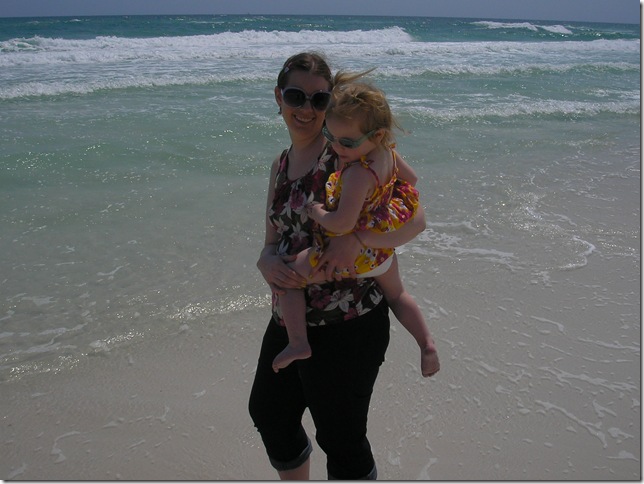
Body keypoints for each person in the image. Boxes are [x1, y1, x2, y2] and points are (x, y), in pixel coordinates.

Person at [248, 52, 428, 480]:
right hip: (290, 319)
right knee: (270, 413)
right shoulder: (280, 165)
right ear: (279, 97)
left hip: (350, 324)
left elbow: (416, 219)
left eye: (318, 99)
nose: (306, 109)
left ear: (332, 103)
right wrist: (264, 262)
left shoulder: (351, 153)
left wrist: (358, 237)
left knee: (341, 439)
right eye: (295, 96)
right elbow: (271, 241)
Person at [271, 76, 440, 381]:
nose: (336, 147)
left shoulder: (358, 174)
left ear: (375, 134)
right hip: (381, 253)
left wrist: (318, 211)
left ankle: (298, 343)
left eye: (346, 143)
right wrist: (381, 208)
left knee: (288, 278)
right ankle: (426, 343)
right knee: (398, 294)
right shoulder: (386, 153)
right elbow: (411, 180)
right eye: (331, 137)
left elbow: (343, 223)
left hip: (353, 257)